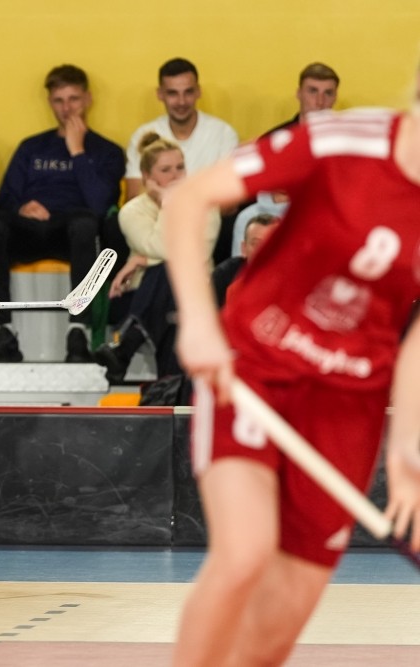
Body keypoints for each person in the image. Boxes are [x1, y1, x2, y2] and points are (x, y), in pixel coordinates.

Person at [162, 77, 420, 665]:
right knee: (245, 552)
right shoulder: (342, 141)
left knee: (279, 624)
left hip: (347, 408)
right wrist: (199, 322)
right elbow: (190, 196)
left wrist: (407, 451)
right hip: (255, 369)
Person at [0, 64, 124, 363]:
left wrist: (77, 151)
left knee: (85, 223)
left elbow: (100, 206)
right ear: (50, 102)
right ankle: (3, 332)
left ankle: (78, 332)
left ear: (88, 99)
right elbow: (3, 200)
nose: (66, 108)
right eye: (59, 100)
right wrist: (21, 207)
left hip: (73, 234)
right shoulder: (32, 147)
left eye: (73, 99)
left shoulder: (106, 151)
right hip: (29, 230)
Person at [95, 133, 219, 382]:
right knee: (170, 281)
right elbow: (162, 248)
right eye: (166, 170)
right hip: (146, 292)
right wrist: (167, 204)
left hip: (197, 288)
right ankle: (170, 388)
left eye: (180, 167)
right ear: (147, 177)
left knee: (173, 283)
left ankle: (127, 344)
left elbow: (198, 253)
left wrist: (141, 260)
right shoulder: (132, 211)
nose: (176, 176)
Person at [124, 58, 239, 202]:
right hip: (155, 215)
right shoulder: (143, 135)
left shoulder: (223, 134)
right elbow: (134, 196)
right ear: (160, 94)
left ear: (198, 92)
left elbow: (230, 199)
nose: (181, 101)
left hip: (208, 214)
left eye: (188, 92)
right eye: (172, 93)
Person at [213, 213, 280, 306]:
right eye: (256, 244)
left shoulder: (295, 280)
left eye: (270, 243)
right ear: (244, 248)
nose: (263, 250)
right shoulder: (224, 276)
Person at [262, 62, 340, 136]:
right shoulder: (274, 141)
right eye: (313, 91)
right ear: (299, 93)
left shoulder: (344, 140)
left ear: (335, 97)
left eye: (328, 93)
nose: (320, 102)